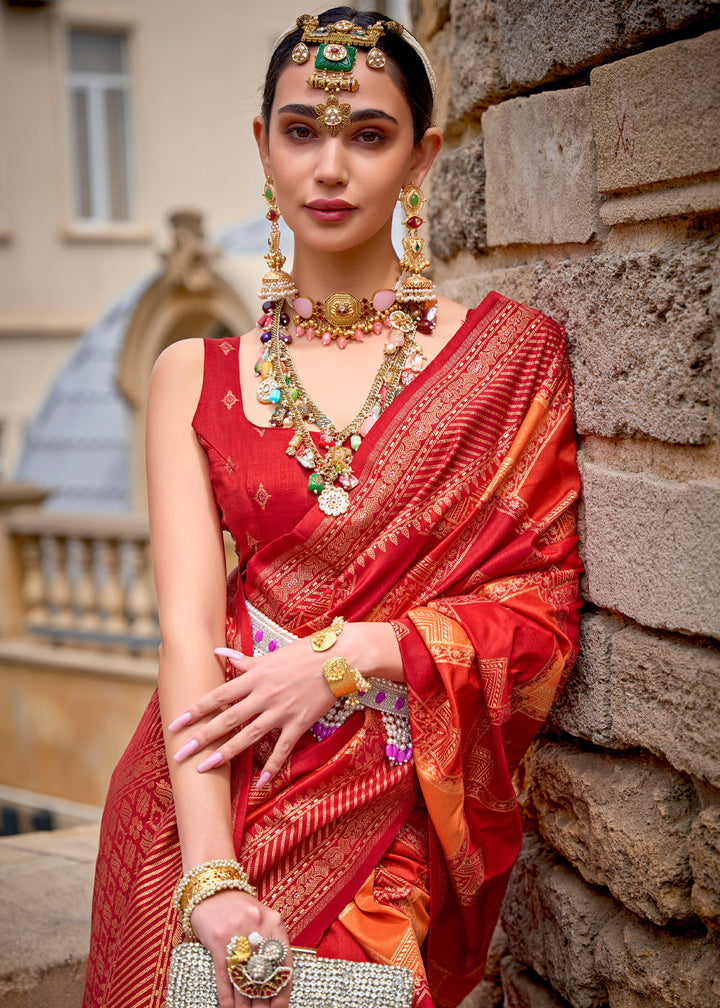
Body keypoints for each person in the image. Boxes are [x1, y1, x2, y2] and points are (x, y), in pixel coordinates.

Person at [82, 8, 582, 1008]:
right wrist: (211, 880)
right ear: (262, 144)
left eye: (368, 135)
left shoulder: (507, 360)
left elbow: (542, 607)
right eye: (302, 130)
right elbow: (185, 634)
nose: (331, 167)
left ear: (422, 155)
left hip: (390, 792)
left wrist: (351, 656)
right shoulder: (192, 373)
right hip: (204, 791)